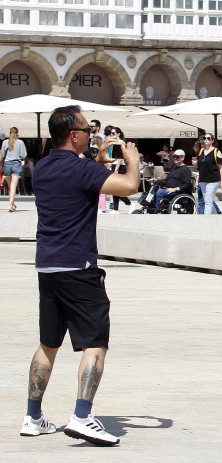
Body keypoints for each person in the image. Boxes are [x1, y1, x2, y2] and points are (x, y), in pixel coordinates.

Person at [20, 105, 139, 446]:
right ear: (74, 135)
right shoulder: (81, 170)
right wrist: (131, 157)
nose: (93, 135)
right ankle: (83, 416)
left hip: (48, 266)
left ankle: (33, 416)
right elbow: (129, 186)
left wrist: (97, 158)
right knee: (95, 343)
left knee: (49, 342)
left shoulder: (43, 168)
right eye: (88, 131)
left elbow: (81, 180)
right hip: (79, 269)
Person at [197, 133, 222, 214]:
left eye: (208, 138)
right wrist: (197, 178)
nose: (206, 139)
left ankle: (207, 220)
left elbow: (221, 167)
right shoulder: (202, 151)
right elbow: (200, 166)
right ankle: (216, 217)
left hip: (213, 180)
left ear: (212, 140)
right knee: (207, 200)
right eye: (204, 138)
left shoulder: (216, 151)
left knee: (208, 201)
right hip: (203, 179)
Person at [1, 127, 27, 212]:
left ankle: (12, 204)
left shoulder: (5, 142)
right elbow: (23, 155)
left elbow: (3, 154)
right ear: (17, 133)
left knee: (9, 186)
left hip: (7, 164)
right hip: (16, 163)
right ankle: (10, 205)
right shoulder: (20, 142)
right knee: (13, 186)